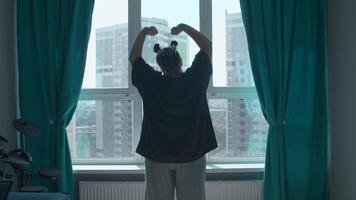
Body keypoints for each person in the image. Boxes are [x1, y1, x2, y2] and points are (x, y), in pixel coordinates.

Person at [129, 23, 217, 200]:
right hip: (193, 154)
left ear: (161, 67)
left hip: (156, 155)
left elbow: (134, 57)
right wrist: (184, 27)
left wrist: (145, 32)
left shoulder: (151, 82)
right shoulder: (195, 79)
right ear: (180, 61)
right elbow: (207, 46)